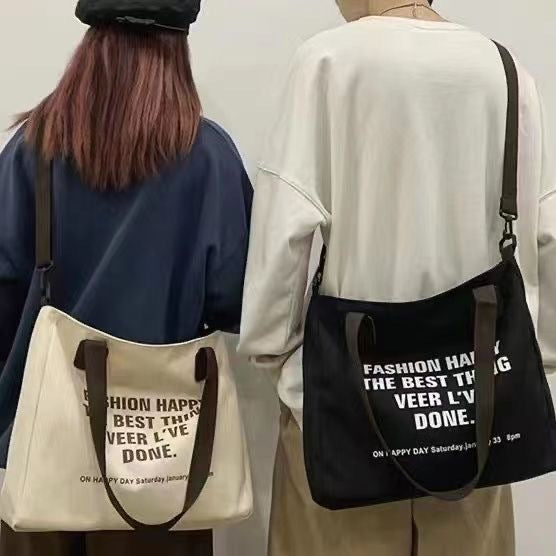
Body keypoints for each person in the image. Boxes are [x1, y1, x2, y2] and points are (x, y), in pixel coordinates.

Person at [239, 1, 555, 555]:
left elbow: (281, 249)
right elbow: (547, 238)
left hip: (346, 426)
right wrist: (521, 378)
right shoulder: (507, 72)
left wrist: (299, 386)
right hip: (473, 426)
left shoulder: (326, 63)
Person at [0, 2, 252, 555]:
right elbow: (234, 301)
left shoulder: (32, 150)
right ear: (177, 46)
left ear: (91, 43)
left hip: (42, 456)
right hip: (163, 466)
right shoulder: (209, 157)